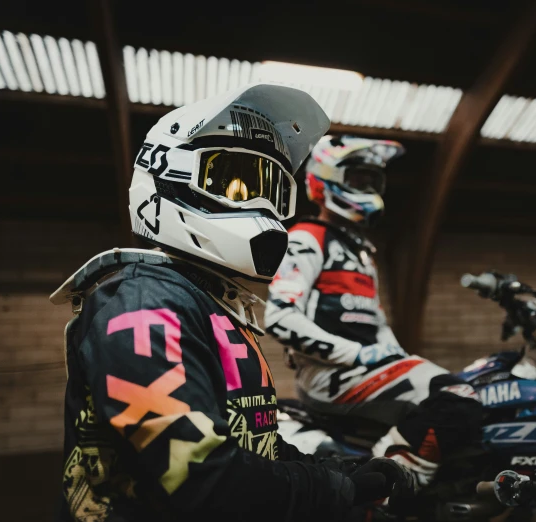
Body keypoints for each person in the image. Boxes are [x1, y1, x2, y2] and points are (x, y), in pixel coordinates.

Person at [52, 86, 413, 522]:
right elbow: (202, 478)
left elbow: (249, 437)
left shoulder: (207, 301)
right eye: (235, 182)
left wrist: (332, 468)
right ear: (169, 174)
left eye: (271, 189)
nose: (259, 203)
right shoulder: (141, 304)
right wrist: (335, 487)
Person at [264, 136, 483, 488]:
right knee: (456, 396)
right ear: (326, 178)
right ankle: (382, 491)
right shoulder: (307, 238)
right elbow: (279, 317)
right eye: (357, 180)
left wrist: (393, 353)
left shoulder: (362, 252)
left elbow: (376, 321)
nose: (367, 188)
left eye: (372, 181)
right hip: (332, 375)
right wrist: (358, 354)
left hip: (363, 370)